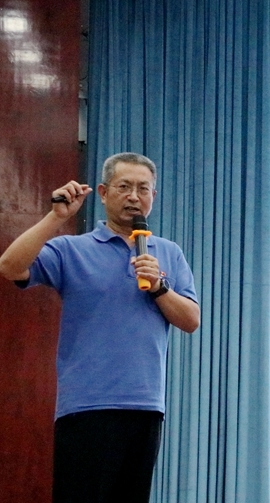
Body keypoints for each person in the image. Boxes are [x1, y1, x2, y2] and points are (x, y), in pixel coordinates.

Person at [0, 152, 200, 503]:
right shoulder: (72, 249)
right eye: (124, 187)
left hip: (145, 406)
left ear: (153, 196)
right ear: (104, 193)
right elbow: (10, 266)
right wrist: (56, 217)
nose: (134, 196)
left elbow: (191, 320)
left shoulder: (168, 253)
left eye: (143, 189)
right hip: (86, 407)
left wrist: (159, 287)